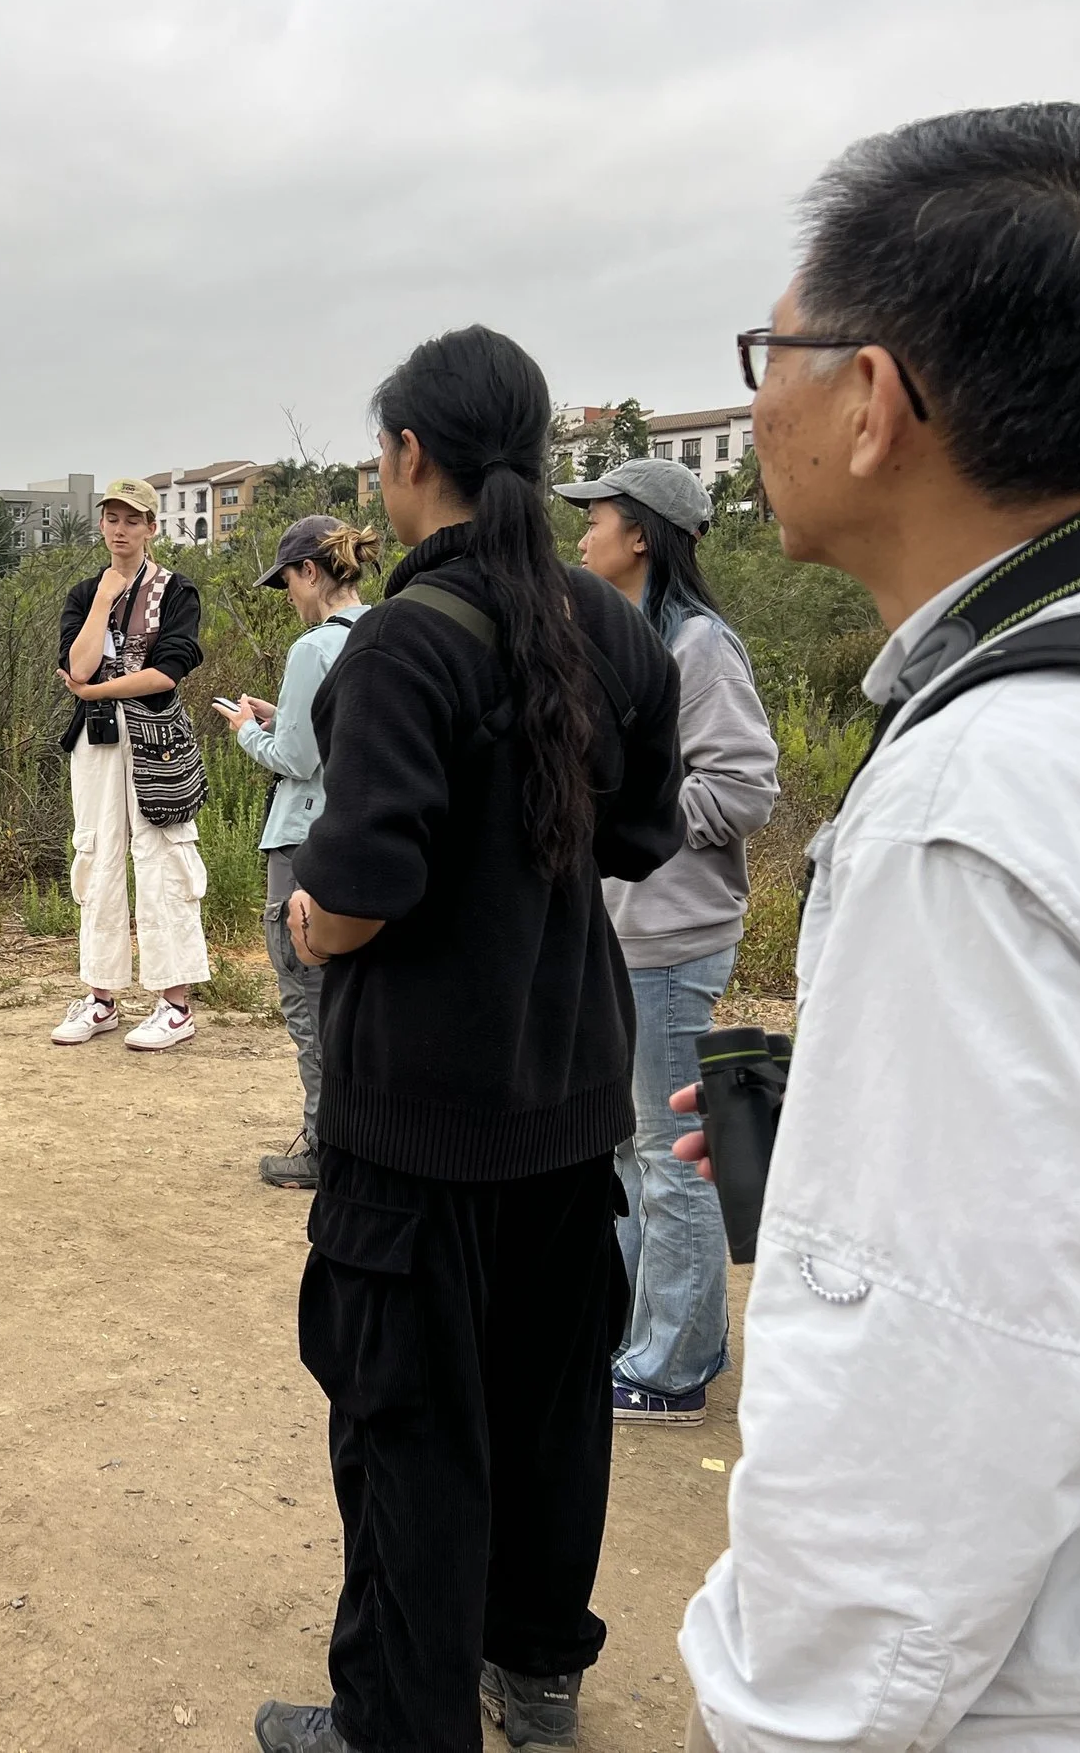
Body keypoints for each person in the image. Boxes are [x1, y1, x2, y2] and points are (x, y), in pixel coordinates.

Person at [675, 106, 1080, 1749]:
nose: (760, 397)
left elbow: (925, 1420)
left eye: (777, 347)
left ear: (874, 402)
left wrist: (771, 1721)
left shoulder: (982, 799)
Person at [252, 325, 684, 1753]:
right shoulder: (612, 628)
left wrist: (314, 922)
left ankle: (397, 1718)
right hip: (569, 1097)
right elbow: (640, 832)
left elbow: (364, 884)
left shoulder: (402, 644)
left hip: (420, 1123)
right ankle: (538, 1667)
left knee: (409, 1422)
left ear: (408, 458)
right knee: (552, 1407)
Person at [557, 459, 778, 1424]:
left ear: (641, 533)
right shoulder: (627, 640)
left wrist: (627, 804)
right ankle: (656, 1339)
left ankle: (671, 1368)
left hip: (672, 935)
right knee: (635, 1152)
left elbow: (744, 789)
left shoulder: (698, 646)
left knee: (672, 1151)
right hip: (626, 932)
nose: (581, 533)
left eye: (596, 517)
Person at [214, 514, 380, 1188]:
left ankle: (324, 1145)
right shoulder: (382, 631)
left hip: (302, 842)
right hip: (359, 837)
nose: (286, 592)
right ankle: (362, 1139)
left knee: (307, 1001)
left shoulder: (312, 648)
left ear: (309, 571)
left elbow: (296, 757)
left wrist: (248, 733)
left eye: (286, 579)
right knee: (355, 1001)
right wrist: (280, 716)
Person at [50, 478, 210, 1051]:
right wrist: (102, 602)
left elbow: (168, 670)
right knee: (97, 853)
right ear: (101, 525)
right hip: (95, 741)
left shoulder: (177, 590)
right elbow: (79, 662)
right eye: (112, 519)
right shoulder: (83, 592)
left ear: (150, 527)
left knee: (164, 854)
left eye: (132, 520)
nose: (120, 530)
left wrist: (96, 692)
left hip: (156, 737)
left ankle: (175, 1003)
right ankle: (101, 996)